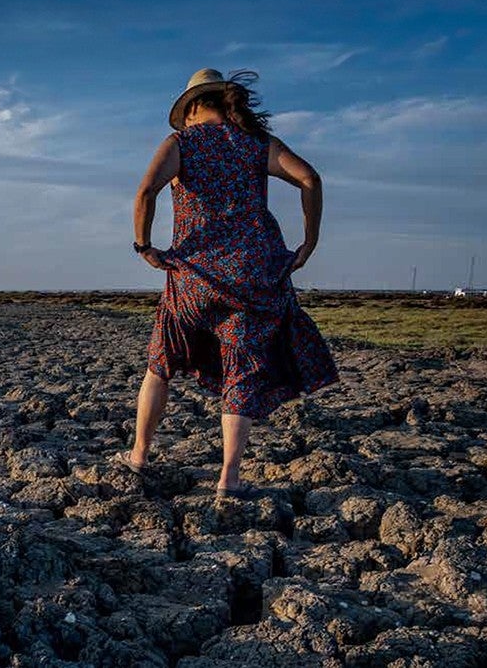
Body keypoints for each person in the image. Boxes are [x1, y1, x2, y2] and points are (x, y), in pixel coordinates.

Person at [114, 68, 339, 497]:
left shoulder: (182, 143)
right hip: (254, 276)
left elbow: (146, 193)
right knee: (242, 371)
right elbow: (310, 178)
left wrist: (144, 246)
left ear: (193, 106)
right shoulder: (258, 144)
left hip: (194, 276)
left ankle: (139, 456)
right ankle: (228, 479)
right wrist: (309, 241)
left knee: (160, 365)